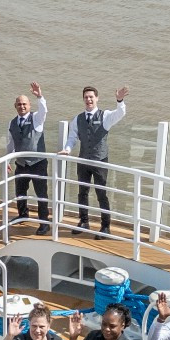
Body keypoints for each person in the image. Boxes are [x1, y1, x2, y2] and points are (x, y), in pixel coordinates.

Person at [59, 85, 130, 236]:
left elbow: (120, 113)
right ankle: (84, 221)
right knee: (82, 193)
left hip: (100, 160)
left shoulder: (105, 116)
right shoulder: (77, 119)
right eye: (86, 97)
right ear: (83, 99)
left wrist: (120, 100)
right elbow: (72, 138)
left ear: (97, 98)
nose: (89, 100)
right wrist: (67, 149)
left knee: (101, 194)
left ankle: (105, 226)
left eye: (91, 97)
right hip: (83, 160)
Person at [5, 83, 51, 235]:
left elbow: (44, 111)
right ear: (15, 106)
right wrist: (8, 161)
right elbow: (10, 143)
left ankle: (44, 223)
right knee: (20, 191)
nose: (22, 106)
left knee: (41, 194)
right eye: (19, 104)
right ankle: (23, 214)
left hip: (37, 163)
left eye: (24, 104)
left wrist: (39, 96)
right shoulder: (12, 123)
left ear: (29, 105)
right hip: (21, 163)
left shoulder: (37, 119)